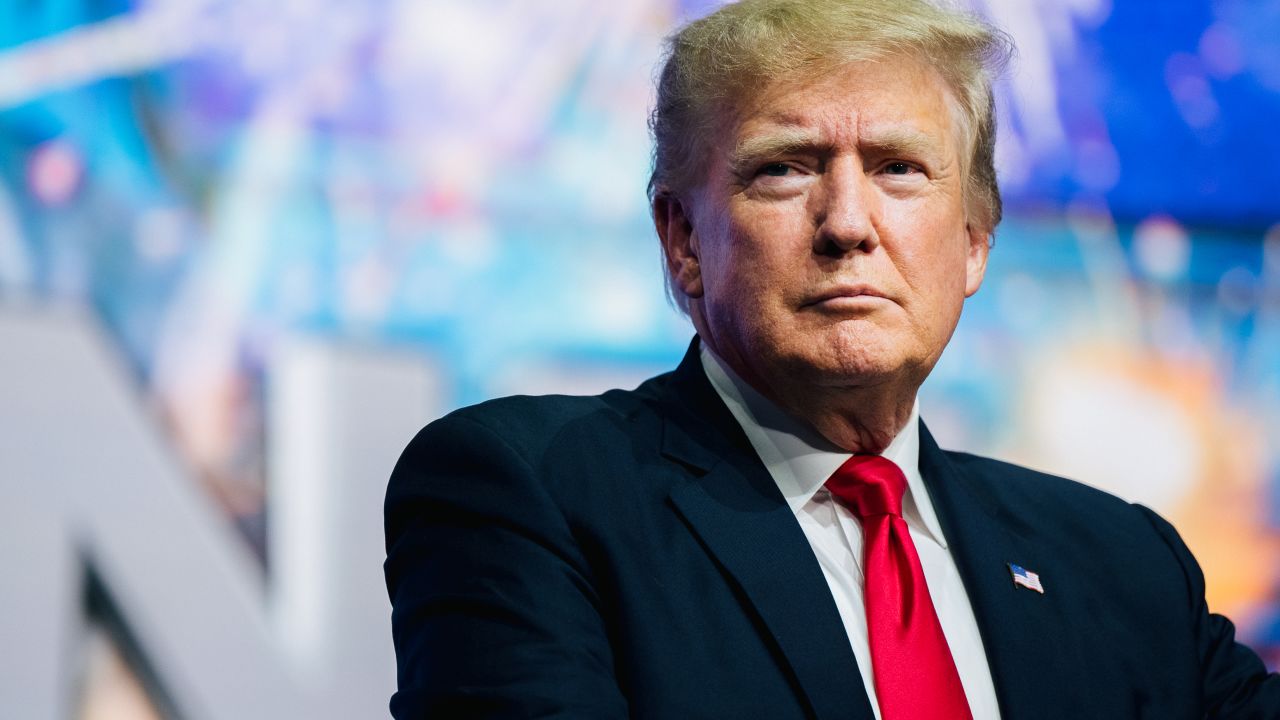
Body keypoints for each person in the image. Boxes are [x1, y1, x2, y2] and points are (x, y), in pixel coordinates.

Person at [383, 0, 1280, 717]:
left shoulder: (1122, 562)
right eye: (785, 168)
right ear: (684, 238)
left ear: (974, 242)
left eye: (899, 168)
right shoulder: (533, 490)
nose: (848, 223)